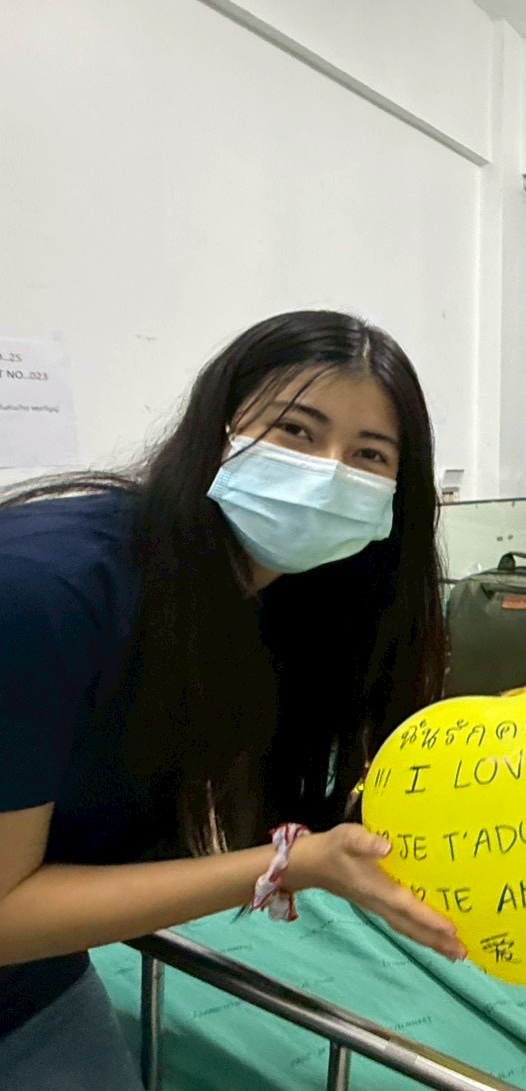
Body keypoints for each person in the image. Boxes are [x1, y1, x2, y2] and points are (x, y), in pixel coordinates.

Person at [0, 311, 469, 1090]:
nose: (326, 473)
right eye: (295, 431)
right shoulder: (45, 594)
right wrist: (287, 865)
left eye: (369, 455)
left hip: (31, 983)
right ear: (217, 430)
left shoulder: (286, 611)